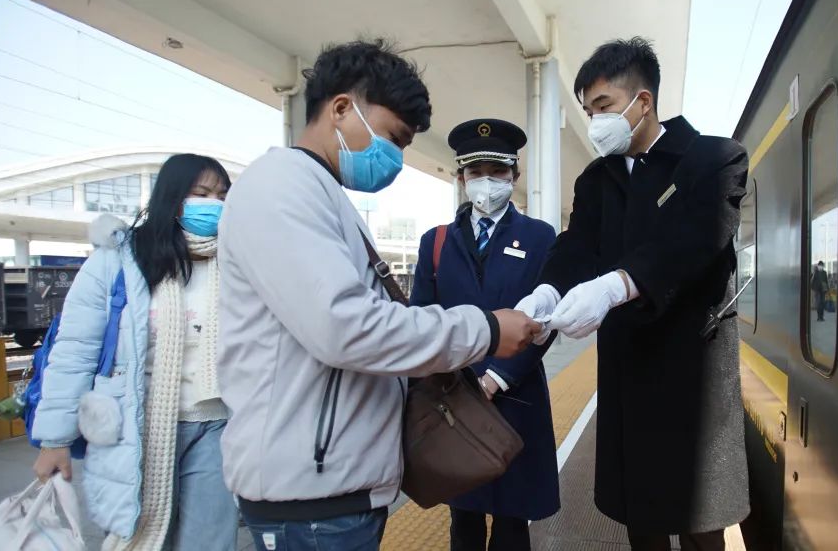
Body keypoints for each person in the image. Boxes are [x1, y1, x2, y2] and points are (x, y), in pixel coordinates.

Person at [216, 40, 541, 551]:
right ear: (342, 108)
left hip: (334, 484)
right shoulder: (283, 187)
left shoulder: (320, 194)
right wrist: (488, 328)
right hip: (312, 496)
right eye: (393, 138)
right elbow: (347, 326)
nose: (394, 158)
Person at [516, 38, 750, 551]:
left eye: (604, 106)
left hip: (694, 378)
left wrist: (617, 285)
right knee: (641, 520)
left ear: (643, 101)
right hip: (628, 374)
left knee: (701, 524)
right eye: (588, 111)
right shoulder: (597, 180)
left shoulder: (713, 159)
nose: (595, 122)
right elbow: (577, 245)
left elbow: (695, 240)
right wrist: (548, 290)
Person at [32, 154, 238, 550]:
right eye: (201, 193)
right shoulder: (119, 261)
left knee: (211, 543)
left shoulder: (236, 259)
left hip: (217, 423)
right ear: (172, 197)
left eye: (222, 196)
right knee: (140, 538)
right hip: (138, 426)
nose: (214, 204)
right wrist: (55, 439)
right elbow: (75, 350)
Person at [410, 119, 560, 551]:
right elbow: (421, 317)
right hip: (454, 400)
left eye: (497, 172)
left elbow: (545, 320)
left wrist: (496, 378)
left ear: (515, 175)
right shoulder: (435, 242)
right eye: (476, 172)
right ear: (461, 178)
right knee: (464, 517)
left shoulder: (539, 237)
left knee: (513, 521)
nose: (487, 182)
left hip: (516, 396)